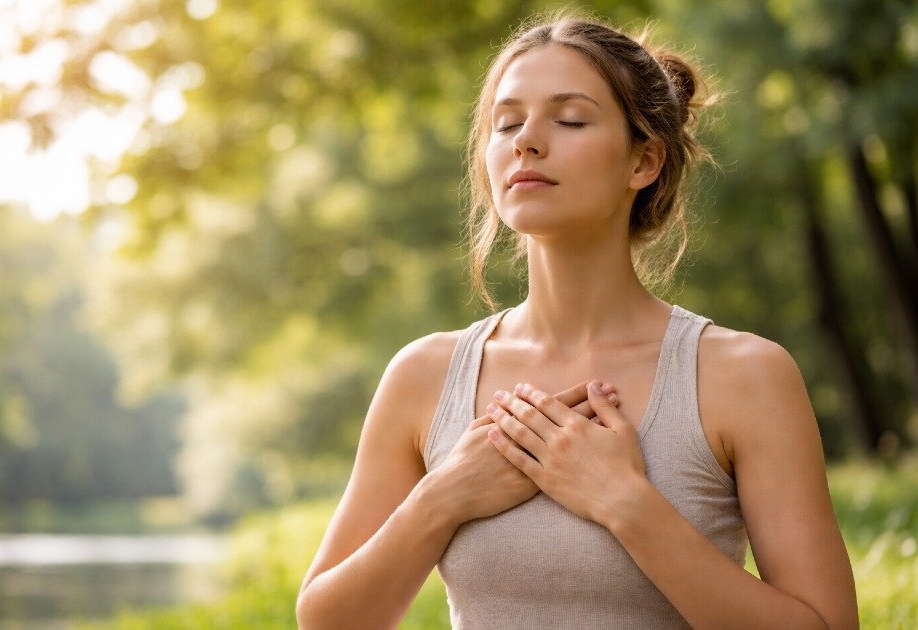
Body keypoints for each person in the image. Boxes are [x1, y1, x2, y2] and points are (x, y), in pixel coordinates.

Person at [296, 12, 858, 629]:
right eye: (507, 123)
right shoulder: (425, 374)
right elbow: (328, 620)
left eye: (569, 120)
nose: (526, 141)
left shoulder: (743, 375)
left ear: (643, 162)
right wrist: (441, 498)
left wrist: (626, 505)